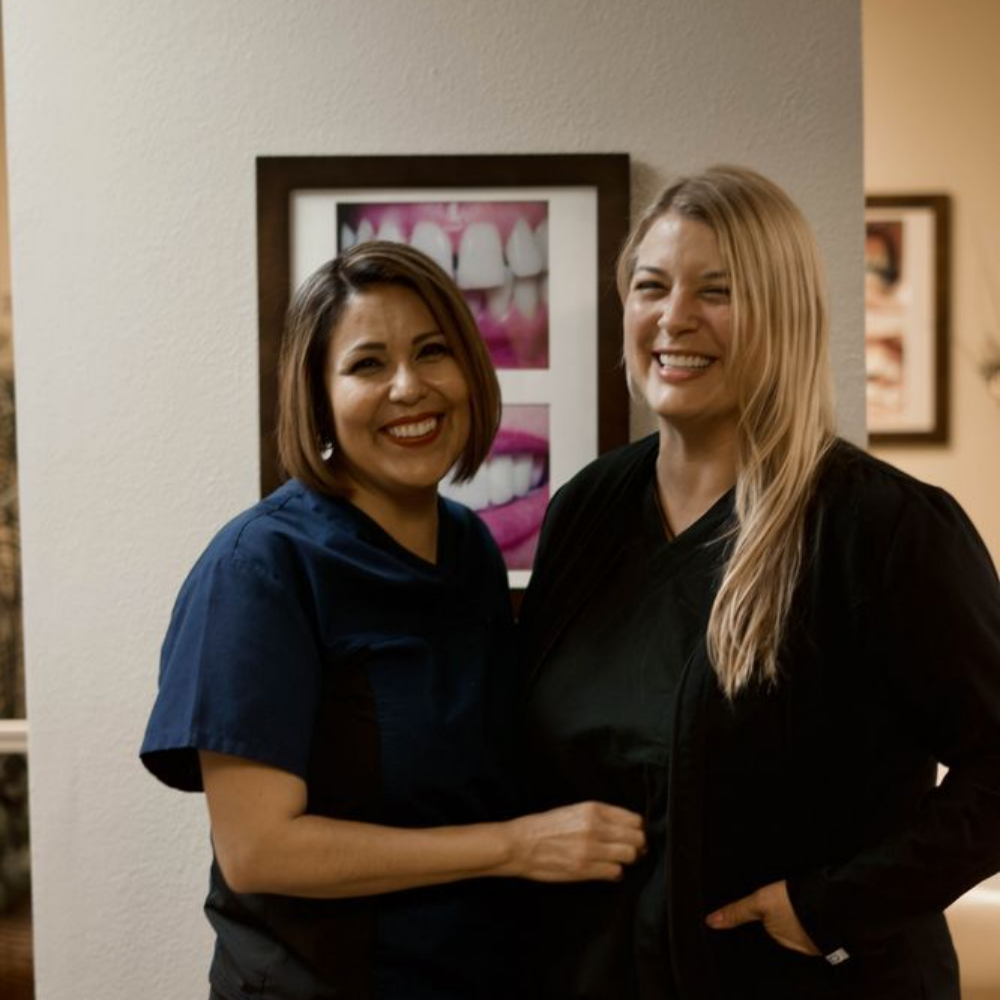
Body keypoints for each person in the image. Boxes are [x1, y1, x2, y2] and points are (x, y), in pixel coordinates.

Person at [518, 166, 1000, 1000]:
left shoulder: (881, 528)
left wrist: (830, 909)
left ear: (785, 313)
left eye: (718, 290)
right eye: (651, 286)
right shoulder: (585, 513)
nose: (674, 318)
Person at [140, 241, 645, 1000]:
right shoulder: (259, 568)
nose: (410, 387)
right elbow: (259, 851)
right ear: (318, 396)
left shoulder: (469, 548)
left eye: (432, 352)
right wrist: (513, 848)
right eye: (368, 364)